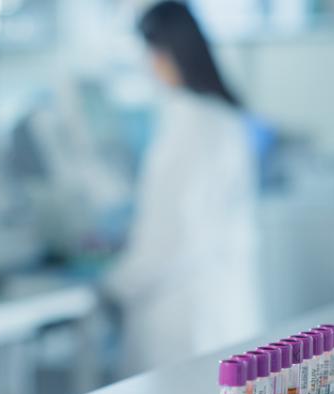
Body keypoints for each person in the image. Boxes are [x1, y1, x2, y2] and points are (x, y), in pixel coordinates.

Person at [104, 0, 260, 375]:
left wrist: (113, 285)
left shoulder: (187, 125)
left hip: (182, 320)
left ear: (166, 54)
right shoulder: (223, 118)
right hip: (223, 311)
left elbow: (168, 239)